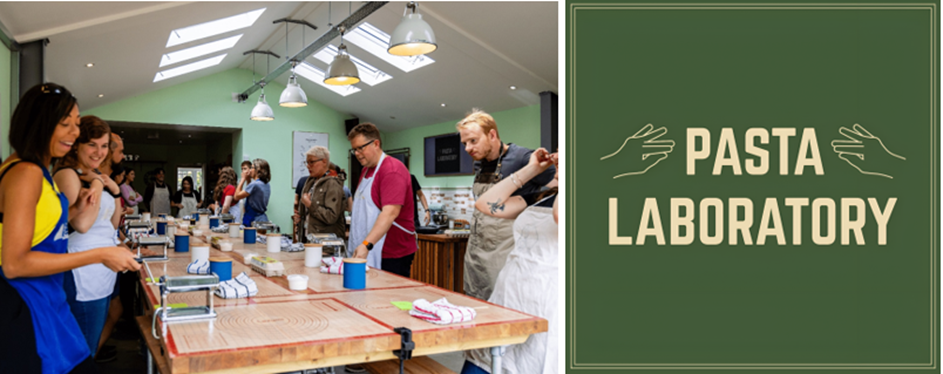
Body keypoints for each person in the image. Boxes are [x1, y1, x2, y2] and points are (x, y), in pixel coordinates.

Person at [0, 83, 138, 374]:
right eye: (65, 124)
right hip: (26, 299)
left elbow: (44, 226)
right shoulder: (25, 173)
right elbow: (14, 264)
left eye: (76, 124)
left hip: (48, 293)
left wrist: (75, 209)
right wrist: (100, 254)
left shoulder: (38, 171)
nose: (75, 133)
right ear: (38, 123)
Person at [463, 148, 559, 374]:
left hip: (548, 304)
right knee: (484, 362)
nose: (556, 156)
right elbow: (485, 204)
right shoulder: (541, 198)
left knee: (530, 362)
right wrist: (531, 170)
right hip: (510, 296)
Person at [458, 109, 555, 301]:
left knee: (501, 303)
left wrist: (531, 200)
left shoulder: (523, 158)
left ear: (492, 135)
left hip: (503, 252)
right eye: (465, 143)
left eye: (473, 141)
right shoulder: (479, 164)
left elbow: (559, 185)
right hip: (476, 250)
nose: (468, 148)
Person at [53, 115, 127, 359]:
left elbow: (111, 224)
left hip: (99, 271)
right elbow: (82, 224)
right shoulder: (68, 174)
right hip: (80, 270)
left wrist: (114, 191)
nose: (99, 152)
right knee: (81, 351)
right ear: (77, 145)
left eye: (104, 146)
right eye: (92, 145)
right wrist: (97, 183)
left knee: (89, 346)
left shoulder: (90, 173)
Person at [347, 123, 417, 275]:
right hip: (367, 248)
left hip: (391, 253)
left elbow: (390, 213)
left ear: (376, 144)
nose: (357, 153)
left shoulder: (392, 170)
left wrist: (366, 244)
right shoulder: (366, 170)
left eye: (361, 148)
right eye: (354, 150)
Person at [295, 146, 347, 240]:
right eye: (307, 162)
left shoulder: (333, 184)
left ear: (324, 161)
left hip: (326, 242)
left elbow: (331, 217)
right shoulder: (310, 181)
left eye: (311, 162)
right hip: (309, 237)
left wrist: (310, 205)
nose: (308, 166)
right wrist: (300, 215)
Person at [234, 158, 271, 226]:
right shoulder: (266, 184)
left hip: (253, 220)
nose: (250, 170)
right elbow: (249, 194)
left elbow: (236, 196)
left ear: (258, 170)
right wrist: (248, 180)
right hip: (262, 219)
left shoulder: (255, 184)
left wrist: (243, 179)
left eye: (252, 168)